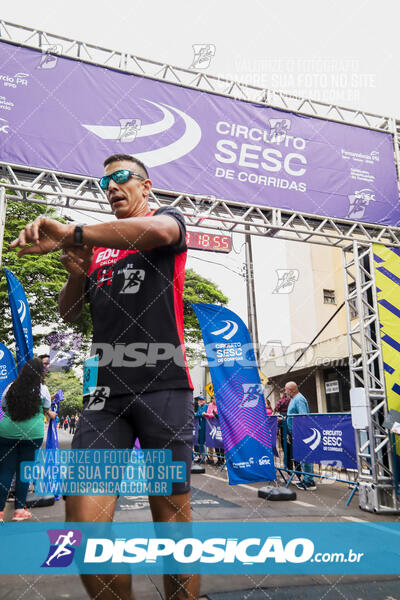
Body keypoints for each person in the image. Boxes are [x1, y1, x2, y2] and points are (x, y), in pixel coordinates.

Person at [11, 153, 199, 600]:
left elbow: (156, 232)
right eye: (104, 182)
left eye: (120, 178)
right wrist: (77, 272)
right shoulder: (96, 249)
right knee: (80, 525)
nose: (111, 187)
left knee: (172, 523)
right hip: (105, 396)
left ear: (146, 186)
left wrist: (72, 231)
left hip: (164, 386)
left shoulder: (164, 221)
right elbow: (71, 313)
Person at [0, 358, 56, 521]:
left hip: (7, 433)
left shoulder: (11, 387)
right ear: (39, 372)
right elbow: (46, 408)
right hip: (32, 435)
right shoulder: (43, 388)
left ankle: (0, 512)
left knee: (5, 471)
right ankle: (19, 511)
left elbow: (3, 406)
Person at [285, 381, 316, 491]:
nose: (285, 391)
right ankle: (306, 479)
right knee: (302, 457)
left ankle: (309, 481)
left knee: (306, 457)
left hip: (301, 433)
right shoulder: (294, 399)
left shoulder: (299, 399)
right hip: (296, 432)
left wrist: (300, 432)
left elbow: (303, 416)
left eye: (286, 389)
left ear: (291, 390)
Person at [194, 395, 207, 462]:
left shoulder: (206, 406)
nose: (200, 401)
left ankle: (204, 457)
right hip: (199, 425)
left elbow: (202, 415)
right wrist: (198, 414)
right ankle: (201, 457)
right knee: (199, 441)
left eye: (202, 400)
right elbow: (198, 414)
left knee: (204, 441)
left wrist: (198, 414)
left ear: (204, 400)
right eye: (199, 400)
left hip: (205, 425)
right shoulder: (199, 406)